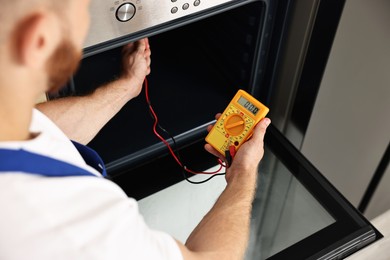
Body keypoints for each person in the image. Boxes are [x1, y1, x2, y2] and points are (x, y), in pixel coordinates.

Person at [0, 0, 271, 259]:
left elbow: (46, 129)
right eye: (85, 8)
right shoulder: (72, 226)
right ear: (39, 40)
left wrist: (128, 87)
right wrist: (243, 174)